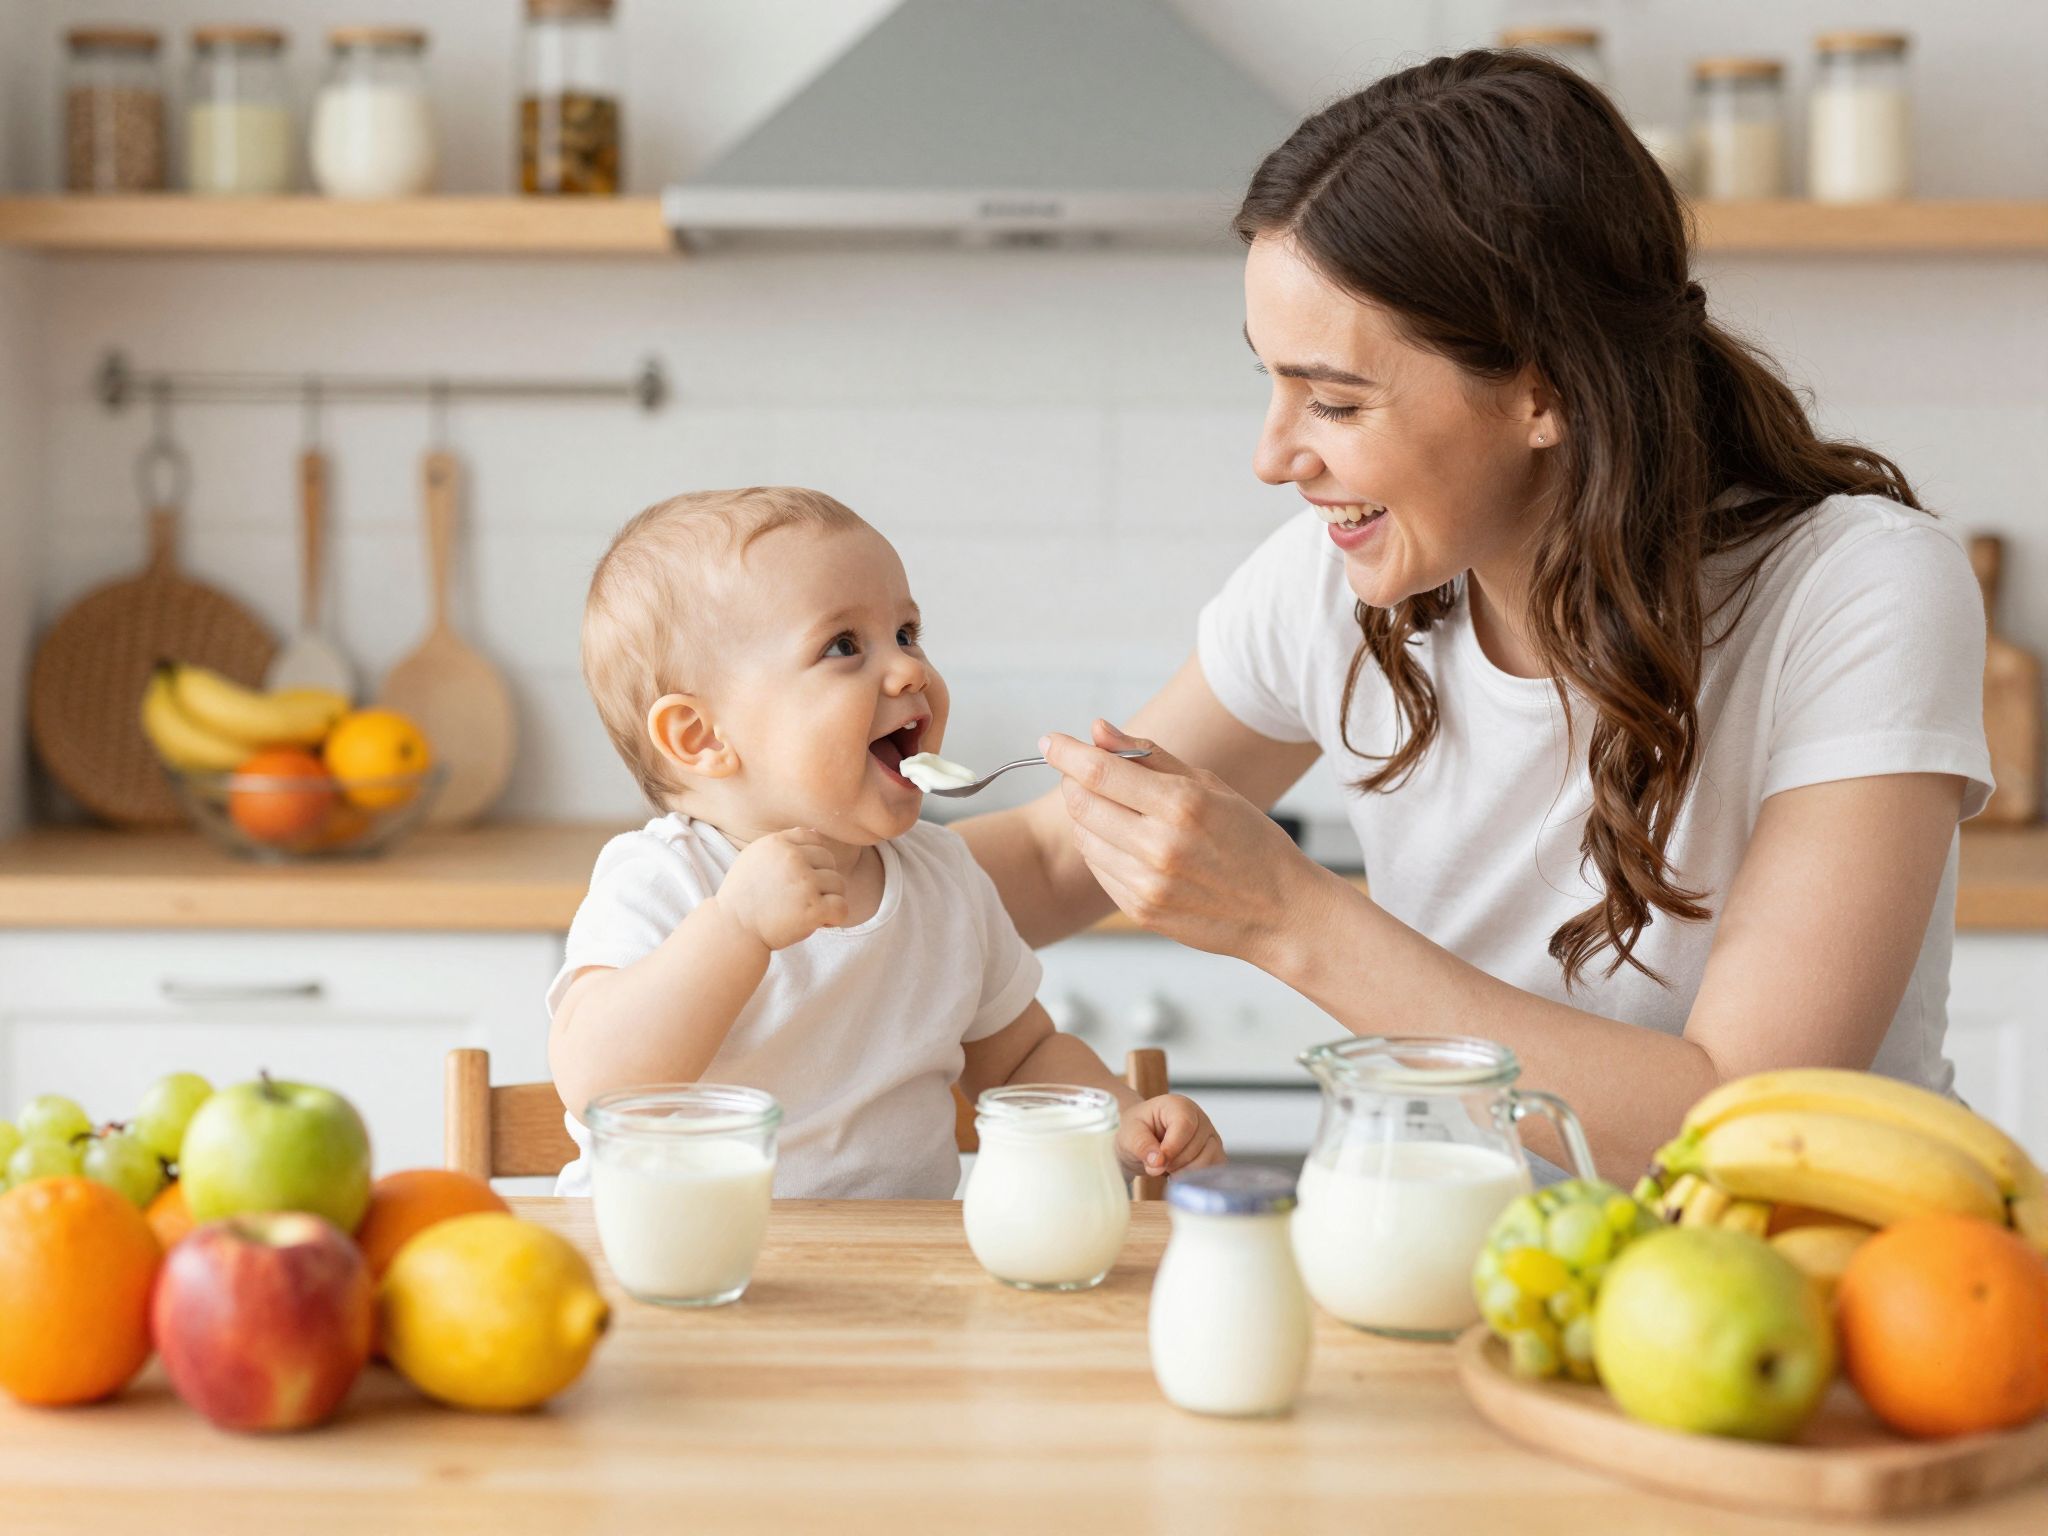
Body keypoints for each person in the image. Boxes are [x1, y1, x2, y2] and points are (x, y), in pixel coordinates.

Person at [958, 51, 1992, 1181]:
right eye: (1270, 381)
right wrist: (786, 863)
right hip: (1438, 1270)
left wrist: (1283, 914)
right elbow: (1063, 858)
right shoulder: (1330, 582)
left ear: (1543, 390)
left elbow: (1733, 1122)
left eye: (1335, 401)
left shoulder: (1855, 590)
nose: (1271, 456)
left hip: (1793, 1303)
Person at [546, 486, 1224, 1197]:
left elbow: (1023, 1057)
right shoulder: (665, 879)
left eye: (906, 634)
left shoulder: (944, 880)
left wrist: (1113, 1120)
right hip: (684, 1273)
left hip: (896, 1278)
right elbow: (598, 1084)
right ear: (702, 737)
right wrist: (735, 927)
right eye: (844, 646)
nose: (909, 670)